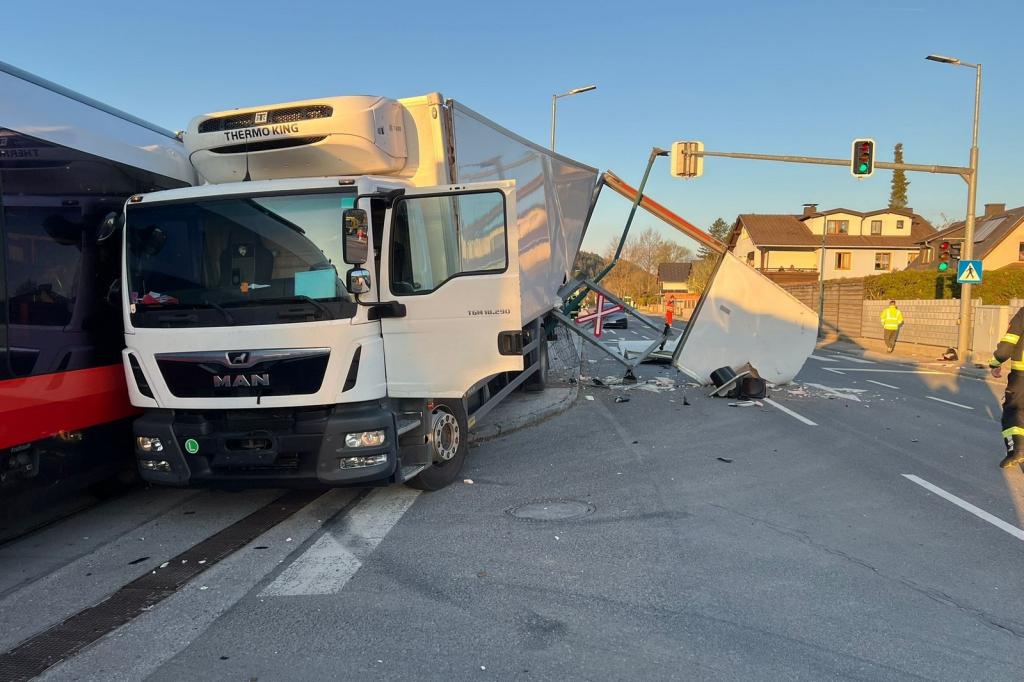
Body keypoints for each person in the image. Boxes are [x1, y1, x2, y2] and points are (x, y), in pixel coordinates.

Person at [989, 308, 1024, 469]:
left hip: (1021, 375)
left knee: (1013, 412)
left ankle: (1017, 451)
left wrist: (996, 362)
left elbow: (1008, 343)